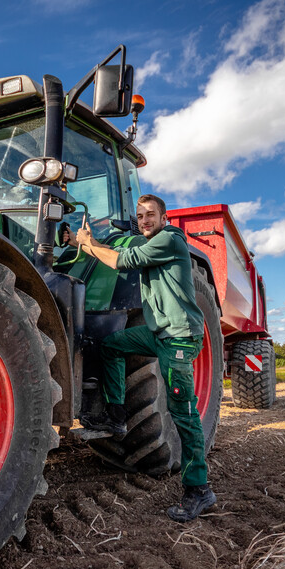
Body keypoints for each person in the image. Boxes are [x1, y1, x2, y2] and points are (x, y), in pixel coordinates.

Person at [74, 194, 215, 523]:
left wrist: (87, 244)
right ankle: (116, 415)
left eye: (151, 214)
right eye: (140, 216)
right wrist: (81, 242)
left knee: (183, 414)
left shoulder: (170, 240)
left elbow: (122, 261)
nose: (145, 220)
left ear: (165, 218)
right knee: (112, 345)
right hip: (159, 332)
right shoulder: (152, 240)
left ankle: (199, 489)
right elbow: (117, 252)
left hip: (178, 337)